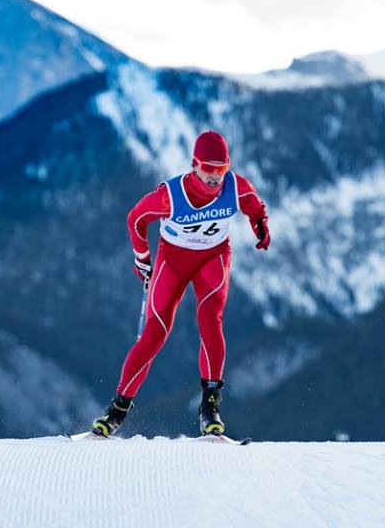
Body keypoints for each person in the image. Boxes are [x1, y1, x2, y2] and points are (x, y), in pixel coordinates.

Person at [91, 130, 270, 437]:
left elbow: (255, 207)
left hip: (213, 258)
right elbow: (135, 219)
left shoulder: (235, 187)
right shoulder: (171, 195)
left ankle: (210, 406)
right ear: (194, 165)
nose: (215, 178)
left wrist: (261, 227)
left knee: (210, 319)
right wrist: (142, 258)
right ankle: (118, 410)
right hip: (173, 261)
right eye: (208, 169)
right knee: (155, 333)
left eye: (221, 169)